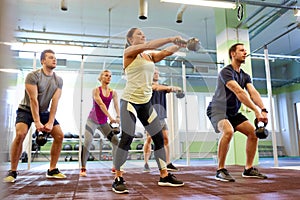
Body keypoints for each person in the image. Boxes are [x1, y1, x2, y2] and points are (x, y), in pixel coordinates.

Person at [112, 27, 186, 194]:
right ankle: (118, 178)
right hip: (130, 101)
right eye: (139, 34)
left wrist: (181, 45)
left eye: (143, 34)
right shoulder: (129, 53)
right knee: (127, 137)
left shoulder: (148, 56)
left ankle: (164, 176)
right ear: (130, 39)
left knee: (159, 138)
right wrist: (171, 37)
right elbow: (151, 45)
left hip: (145, 103)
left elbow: (166, 53)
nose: (143, 36)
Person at [206, 43, 268, 182]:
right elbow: (239, 92)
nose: (245, 52)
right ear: (233, 54)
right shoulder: (226, 72)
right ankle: (220, 169)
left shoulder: (245, 76)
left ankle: (248, 168)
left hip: (233, 112)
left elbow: (253, 92)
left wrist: (263, 110)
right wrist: (256, 111)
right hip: (217, 109)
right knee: (228, 131)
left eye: (245, 50)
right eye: (241, 50)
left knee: (253, 133)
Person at [3, 49, 66, 183]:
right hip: (25, 109)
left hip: (44, 111)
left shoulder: (58, 80)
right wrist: (37, 122)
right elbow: (33, 100)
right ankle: (12, 171)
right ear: (43, 61)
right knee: (20, 134)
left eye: (55, 57)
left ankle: (52, 169)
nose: (54, 60)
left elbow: (55, 102)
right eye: (50, 57)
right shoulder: (33, 76)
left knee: (60, 135)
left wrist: (49, 122)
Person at [80, 69, 120, 177]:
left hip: (103, 122)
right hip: (92, 121)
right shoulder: (96, 90)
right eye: (106, 75)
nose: (109, 77)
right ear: (101, 77)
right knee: (88, 142)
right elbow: (101, 104)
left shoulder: (113, 92)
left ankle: (115, 167)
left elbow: (116, 105)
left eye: (110, 76)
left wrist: (118, 116)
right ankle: (83, 168)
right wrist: (111, 117)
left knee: (116, 141)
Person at [143, 67, 181, 172]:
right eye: (154, 73)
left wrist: (176, 89)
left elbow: (167, 89)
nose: (156, 75)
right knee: (149, 139)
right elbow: (156, 88)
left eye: (157, 73)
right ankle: (146, 163)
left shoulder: (163, 87)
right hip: (151, 117)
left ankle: (168, 163)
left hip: (162, 117)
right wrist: (171, 87)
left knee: (166, 139)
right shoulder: (148, 85)